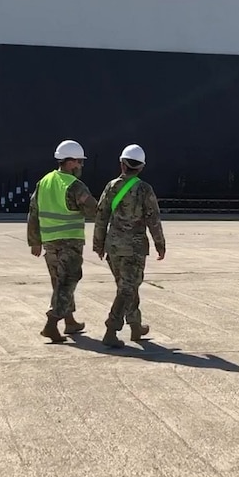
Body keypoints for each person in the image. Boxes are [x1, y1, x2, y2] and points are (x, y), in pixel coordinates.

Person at [93, 144, 166, 348]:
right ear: (141, 167)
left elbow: (101, 216)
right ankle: (111, 329)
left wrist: (98, 244)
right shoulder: (144, 189)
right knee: (127, 288)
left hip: (113, 247)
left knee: (126, 286)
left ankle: (135, 325)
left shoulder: (111, 186)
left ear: (121, 164)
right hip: (134, 249)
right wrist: (160, 243)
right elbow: (154, 219)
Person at [28, 139, 100, 343]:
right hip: (69, 242)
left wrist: (35, 241)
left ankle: (70, 321)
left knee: (59, 282)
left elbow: (33, 212)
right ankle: (51, 324)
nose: (81, 166)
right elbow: (95, 210)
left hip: (50, 242)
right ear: (70, 162)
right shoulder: (74, 185)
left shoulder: (44, 182)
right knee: (68, 282)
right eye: (79, 162)